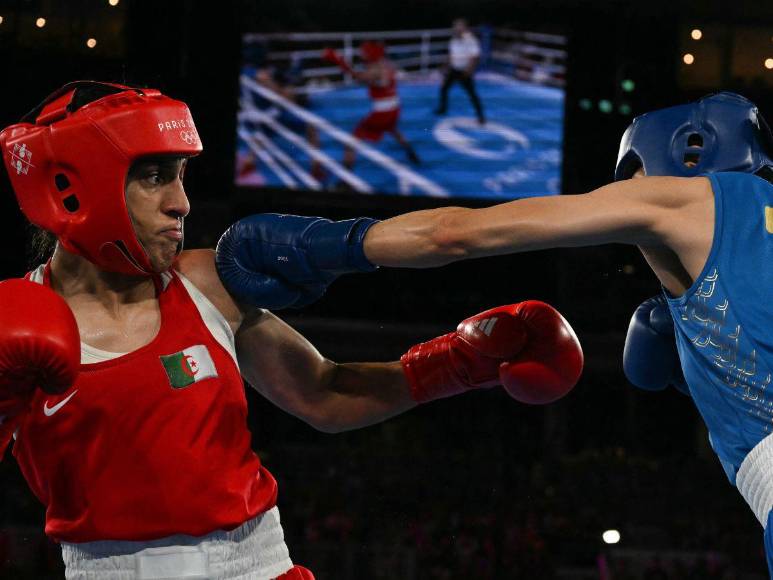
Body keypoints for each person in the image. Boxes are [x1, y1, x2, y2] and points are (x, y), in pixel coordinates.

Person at [0, 81, 583, 579]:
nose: (181, 203)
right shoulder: (13, 323)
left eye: (179, 175)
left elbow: (324, 393)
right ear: (73, 185)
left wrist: (458, 364)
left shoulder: (204, 283)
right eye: (153, 177)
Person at [215, 92, 773, 573]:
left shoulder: (685, 197)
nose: (623, 190)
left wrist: (324, 247)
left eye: (629, 176)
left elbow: (453, 235)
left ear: (677, 152)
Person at [322, 41, 420, 170]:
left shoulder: (375, 69)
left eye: (364, 52)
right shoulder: (386, 64)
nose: (362, 55)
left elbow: (357, 77)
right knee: (392, 129)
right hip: (394, 107)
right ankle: (411, 152)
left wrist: (338, 60)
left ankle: (345, 180)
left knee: (352, 142)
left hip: (382, 112)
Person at [433, 19, 486, 125]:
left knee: (472, 94)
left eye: (459, 26)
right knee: (444, 88)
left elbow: (475, 56)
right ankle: (443, 109)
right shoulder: (453, 39)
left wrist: (469, 70)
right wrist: (445, 66)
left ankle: (481, 116)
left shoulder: (470, 39)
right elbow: (451, 54)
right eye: (455, 26)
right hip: (454, 69)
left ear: (465, 27)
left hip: (464, 71)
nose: (457, 28)